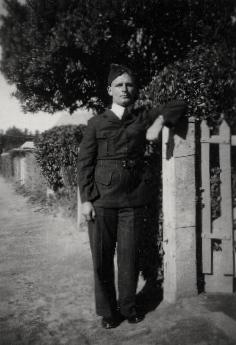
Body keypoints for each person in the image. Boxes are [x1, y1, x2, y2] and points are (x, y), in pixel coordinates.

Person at [77, 64, 186, 329]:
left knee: (129, 258)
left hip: (133, 200)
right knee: (102, 259)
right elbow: (84, 163)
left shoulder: (142, 116)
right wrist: (87, 200)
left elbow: (179, 103)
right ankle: (108, 311)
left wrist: (158, 122)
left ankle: (128, 306)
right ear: (109, 90)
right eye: (119, 85)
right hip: (102, 201)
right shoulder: (96, 123)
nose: (125, 89)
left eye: (129, 85)